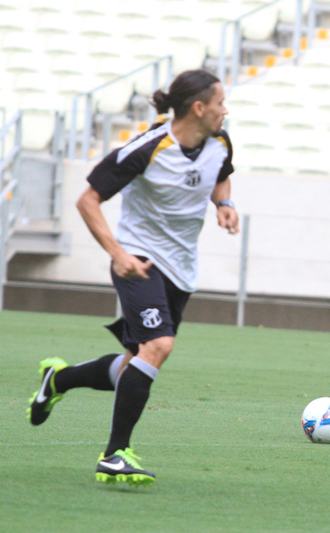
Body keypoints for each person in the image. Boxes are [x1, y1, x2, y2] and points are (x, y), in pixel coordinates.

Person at [26, 69, 239, 484]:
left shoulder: (220, 141)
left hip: (181, 270)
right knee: (158, 346)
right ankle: (114, 454)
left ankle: (58, 379)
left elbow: (220, 175)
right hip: (138, 259)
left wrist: (224, 204)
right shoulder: (147, 148)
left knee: (133, 362)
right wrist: (117, 253)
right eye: (220, 103)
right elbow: (88, 200)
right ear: (199, 108)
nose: (225, 110)